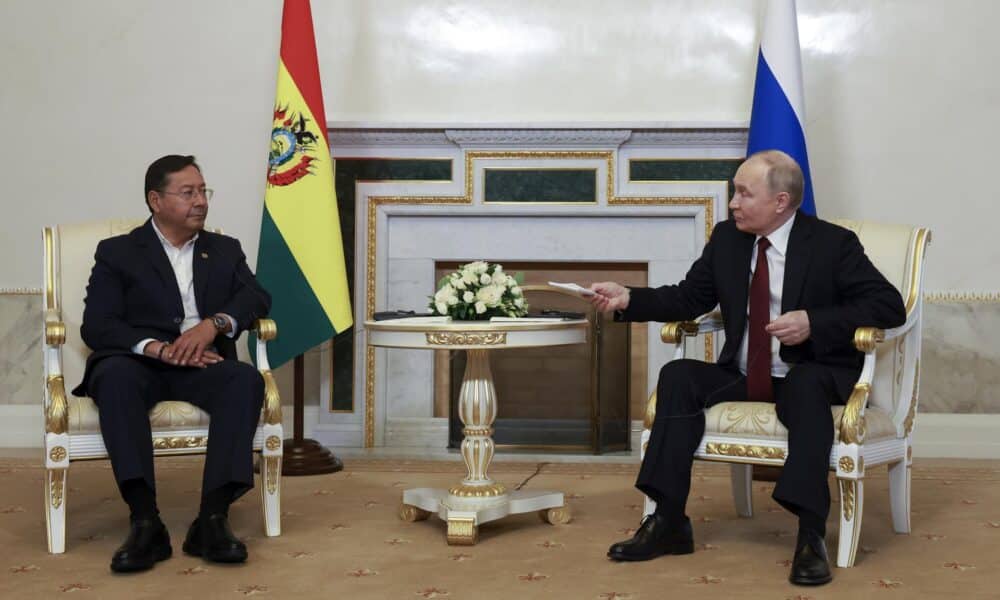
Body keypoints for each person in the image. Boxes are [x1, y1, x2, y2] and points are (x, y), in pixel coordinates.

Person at [588, 150, 905, 586]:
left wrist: (814, 321)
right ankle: (668, 520)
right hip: (743, 372)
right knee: (677, 377)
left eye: (743, 193)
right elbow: (687, 298)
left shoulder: (833, 244)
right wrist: (628, 298)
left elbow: (888, 305)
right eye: (734, 192)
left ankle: (810, 535)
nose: (733, 203)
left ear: (780, 201)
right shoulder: (727, 240)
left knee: (807, 386)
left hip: (807, 371)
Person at [72, 155, 271, 573]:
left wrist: (213, 325)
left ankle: (212, 519)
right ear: (156, 200)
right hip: (139, 363)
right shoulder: (118, 252)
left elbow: (256, 297)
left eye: (203, 191)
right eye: (188, 192)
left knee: (244, 381)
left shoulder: (224, 248)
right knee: (114, 379)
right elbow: (98, 324)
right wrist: (156, 348)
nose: (200, 201)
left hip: (205, 362)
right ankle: (146, 521)